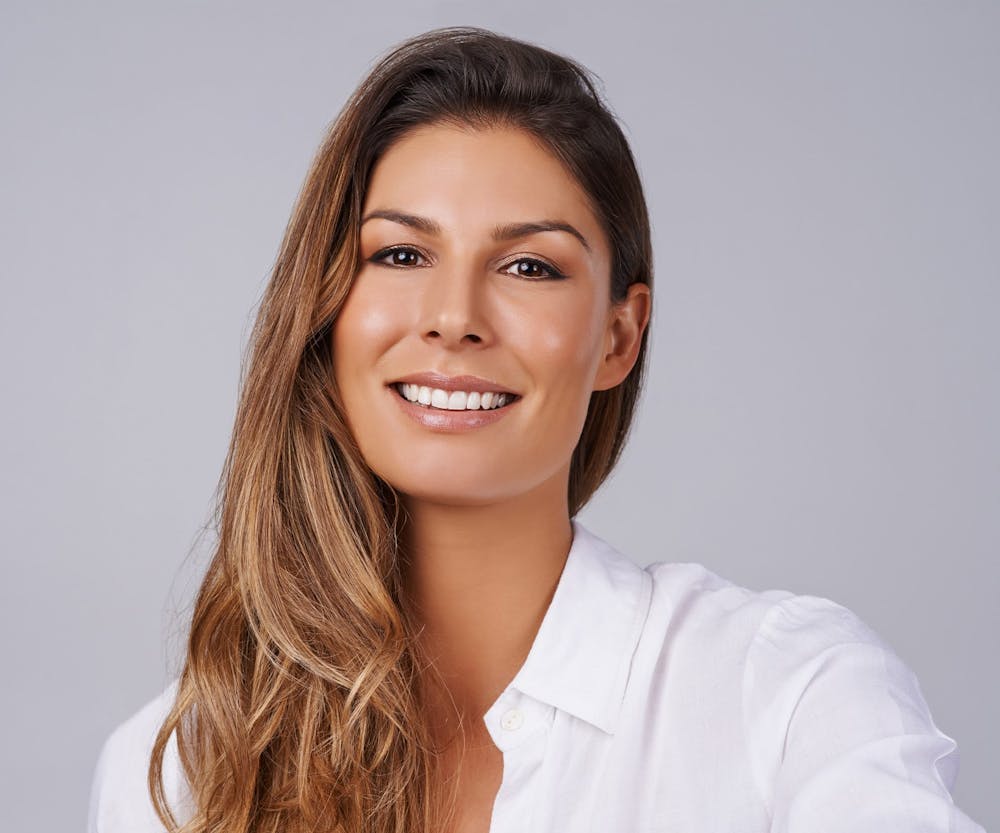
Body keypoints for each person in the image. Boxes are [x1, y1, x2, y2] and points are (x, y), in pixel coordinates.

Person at [87, 25, 986, 833]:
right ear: (324, 309)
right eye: (400, 254)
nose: (452, 316)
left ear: (618, 336)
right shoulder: (174, 770)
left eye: (528, 265)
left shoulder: (790, 698)